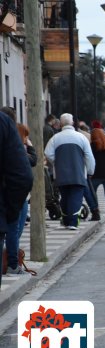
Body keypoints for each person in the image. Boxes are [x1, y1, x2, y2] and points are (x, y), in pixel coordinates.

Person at [45, 113, 96, 230]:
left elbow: (48, 153)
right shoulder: (81, 137)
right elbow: (89, 156)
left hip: (61, 174)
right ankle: (72, 222)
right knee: (76, 197)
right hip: (78, 173)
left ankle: (66, 220)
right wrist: (90, 171)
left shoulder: (55, 138)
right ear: (72, 123)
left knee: (65, 197)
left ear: (61, 124)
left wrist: (57, 162)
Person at [0, 112, 33, 284]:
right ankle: (13, 263)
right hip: (6, 205)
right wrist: (9, 210)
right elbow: (24, 175)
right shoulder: (5, 125)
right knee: (13, 229)